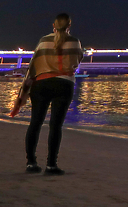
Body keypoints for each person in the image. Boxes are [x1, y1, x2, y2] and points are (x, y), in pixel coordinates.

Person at [23, 13, 83, 175]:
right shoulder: (75, 42)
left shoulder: (43, 41)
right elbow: (77, 62)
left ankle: (31, 163)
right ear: (69, 26)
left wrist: (26, 88)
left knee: (35, 123)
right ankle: (51, 165)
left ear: (53, 26)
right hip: (64, 84)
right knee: (55, 126)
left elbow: (33, 63)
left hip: (41, 84)